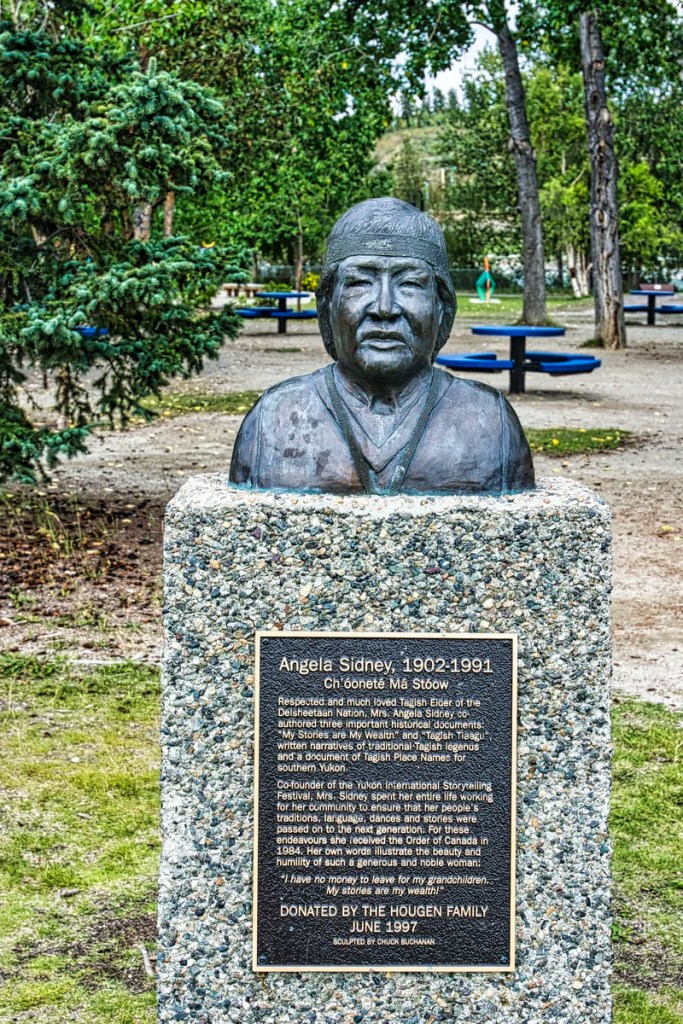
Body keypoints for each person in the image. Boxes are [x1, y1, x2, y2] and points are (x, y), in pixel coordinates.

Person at [229, 198, 534, 495]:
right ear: (328, 305)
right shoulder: (273, 417)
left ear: (442, 308)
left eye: (410, 284)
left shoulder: (490, 422)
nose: (384, 307)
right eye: (361, 283)